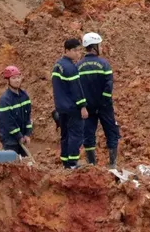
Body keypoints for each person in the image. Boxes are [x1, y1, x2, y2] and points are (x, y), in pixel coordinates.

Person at [78, 32, 120, 167]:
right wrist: (103, 102)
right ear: (95, 46)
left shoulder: (78, 66)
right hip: (104, 107)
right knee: (111, 132)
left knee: (88, 136)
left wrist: (83, 104)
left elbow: (76, 88)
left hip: (87, 108)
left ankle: (92, 165)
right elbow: (109, 85)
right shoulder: (104, 64)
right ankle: (112, 164)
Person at [51, 38, 87, 169]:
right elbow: (76, 89)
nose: (78, 53)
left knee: (65, 135)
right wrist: (83, 106)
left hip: (61, 107)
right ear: (67, 51)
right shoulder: (70, 68)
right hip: (72, 107)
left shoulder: (57, 65)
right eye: (75, 50)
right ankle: (72, 163)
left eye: (79, 50)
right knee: (76, 135)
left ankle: (65, 162)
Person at [0, 65, 33, 157]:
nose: (17, 80)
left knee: (25, 165)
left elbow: (28, 117)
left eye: (18, 77)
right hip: (10, 140)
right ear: (8, 81)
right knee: (13, 165)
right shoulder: (5, 100)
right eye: (13, 78)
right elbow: (8, 122)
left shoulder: (25, 96)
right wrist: (19, 136)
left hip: (22, 138)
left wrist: (27, 134)